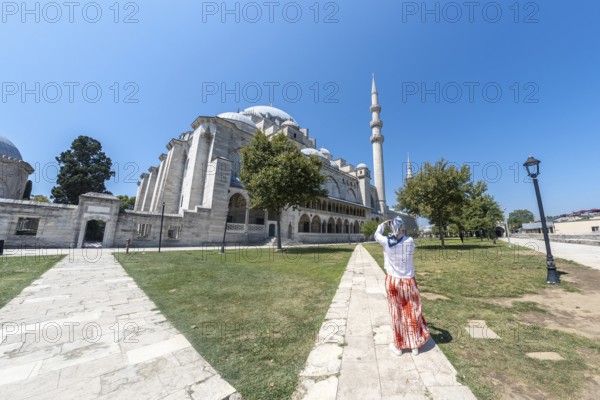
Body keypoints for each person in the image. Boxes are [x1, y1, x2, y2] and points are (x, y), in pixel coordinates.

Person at [375, 217, 430, 356]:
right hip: (408, 281)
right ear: (402, 228)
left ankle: (399, 346)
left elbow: (376, 235)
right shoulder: (410, 241)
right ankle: (414, 345)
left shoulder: (386, 242)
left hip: (392, 281)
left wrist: (383, 224)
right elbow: (403, 238)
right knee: (412, 311)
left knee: (396, 313)